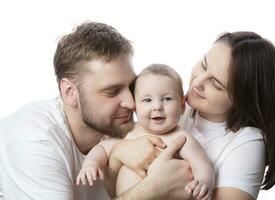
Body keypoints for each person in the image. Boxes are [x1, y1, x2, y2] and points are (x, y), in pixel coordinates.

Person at [0, 22, 193, 200]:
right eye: (112, 91)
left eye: (132, 87)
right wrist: (151, 190)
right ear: (69, 92)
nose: (131, 102)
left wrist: (115, 161)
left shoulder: (120, 134)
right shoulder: (33, 140)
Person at [111, 32, 275, 200]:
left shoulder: (248, 142)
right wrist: (118, 152)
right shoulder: (171, 106)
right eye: (204, 65)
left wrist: (155, 189)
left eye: (216, 84)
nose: (197, 82)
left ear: (243, 99)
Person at [76, 64, 215, 200]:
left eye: (167, 99)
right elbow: (103, 148)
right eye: (147, 100)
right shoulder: (129, 131)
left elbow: (202, 166)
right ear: (135, 107)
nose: (157, 107)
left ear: (182, 104)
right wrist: (91, 163)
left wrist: (202, 182)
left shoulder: (182, 139)